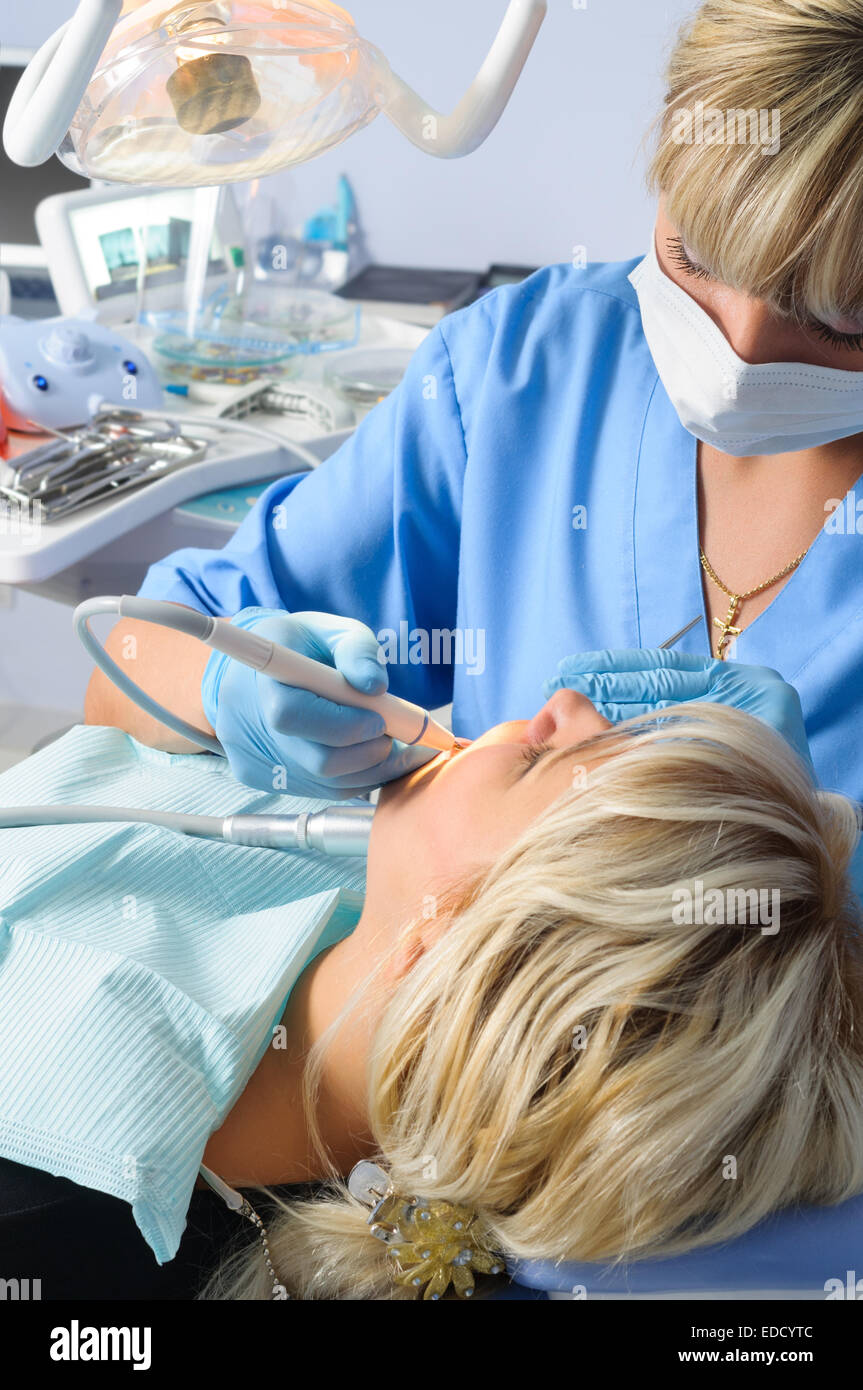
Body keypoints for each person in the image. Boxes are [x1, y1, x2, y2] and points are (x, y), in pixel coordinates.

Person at [85, 0, 863, 827]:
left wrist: (816, 856)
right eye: (694, 259)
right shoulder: (527, 366)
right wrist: (224, 689)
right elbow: (127, 668)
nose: (740, 352)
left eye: (840, 320)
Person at [1, 694, 861, 1299]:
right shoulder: (337, 859)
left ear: (450, 941)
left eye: (543, 761)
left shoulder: (48, 1209)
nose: (566, 703)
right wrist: (198, 678)